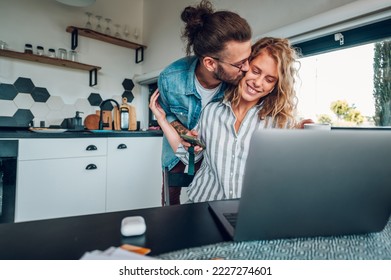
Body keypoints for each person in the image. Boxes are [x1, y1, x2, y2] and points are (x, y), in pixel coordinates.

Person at [150, 37, 303, 203]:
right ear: (244, 67)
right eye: (256, 71)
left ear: (275, 85)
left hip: (249, 212)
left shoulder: (281, 123)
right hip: (202, 205)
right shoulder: (211, 111)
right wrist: (163, 120)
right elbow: (191, 157)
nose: (258, 83)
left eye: (269, 79)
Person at [157, 0, 252, 205]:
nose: (247, 69)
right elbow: (166, 112)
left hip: (217, 159)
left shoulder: (240, 82)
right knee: (170, 205)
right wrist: (183, 133)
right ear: (210, 63)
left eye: (248, 59)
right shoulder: (170, 79)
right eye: (239, 64)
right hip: (176, 154)